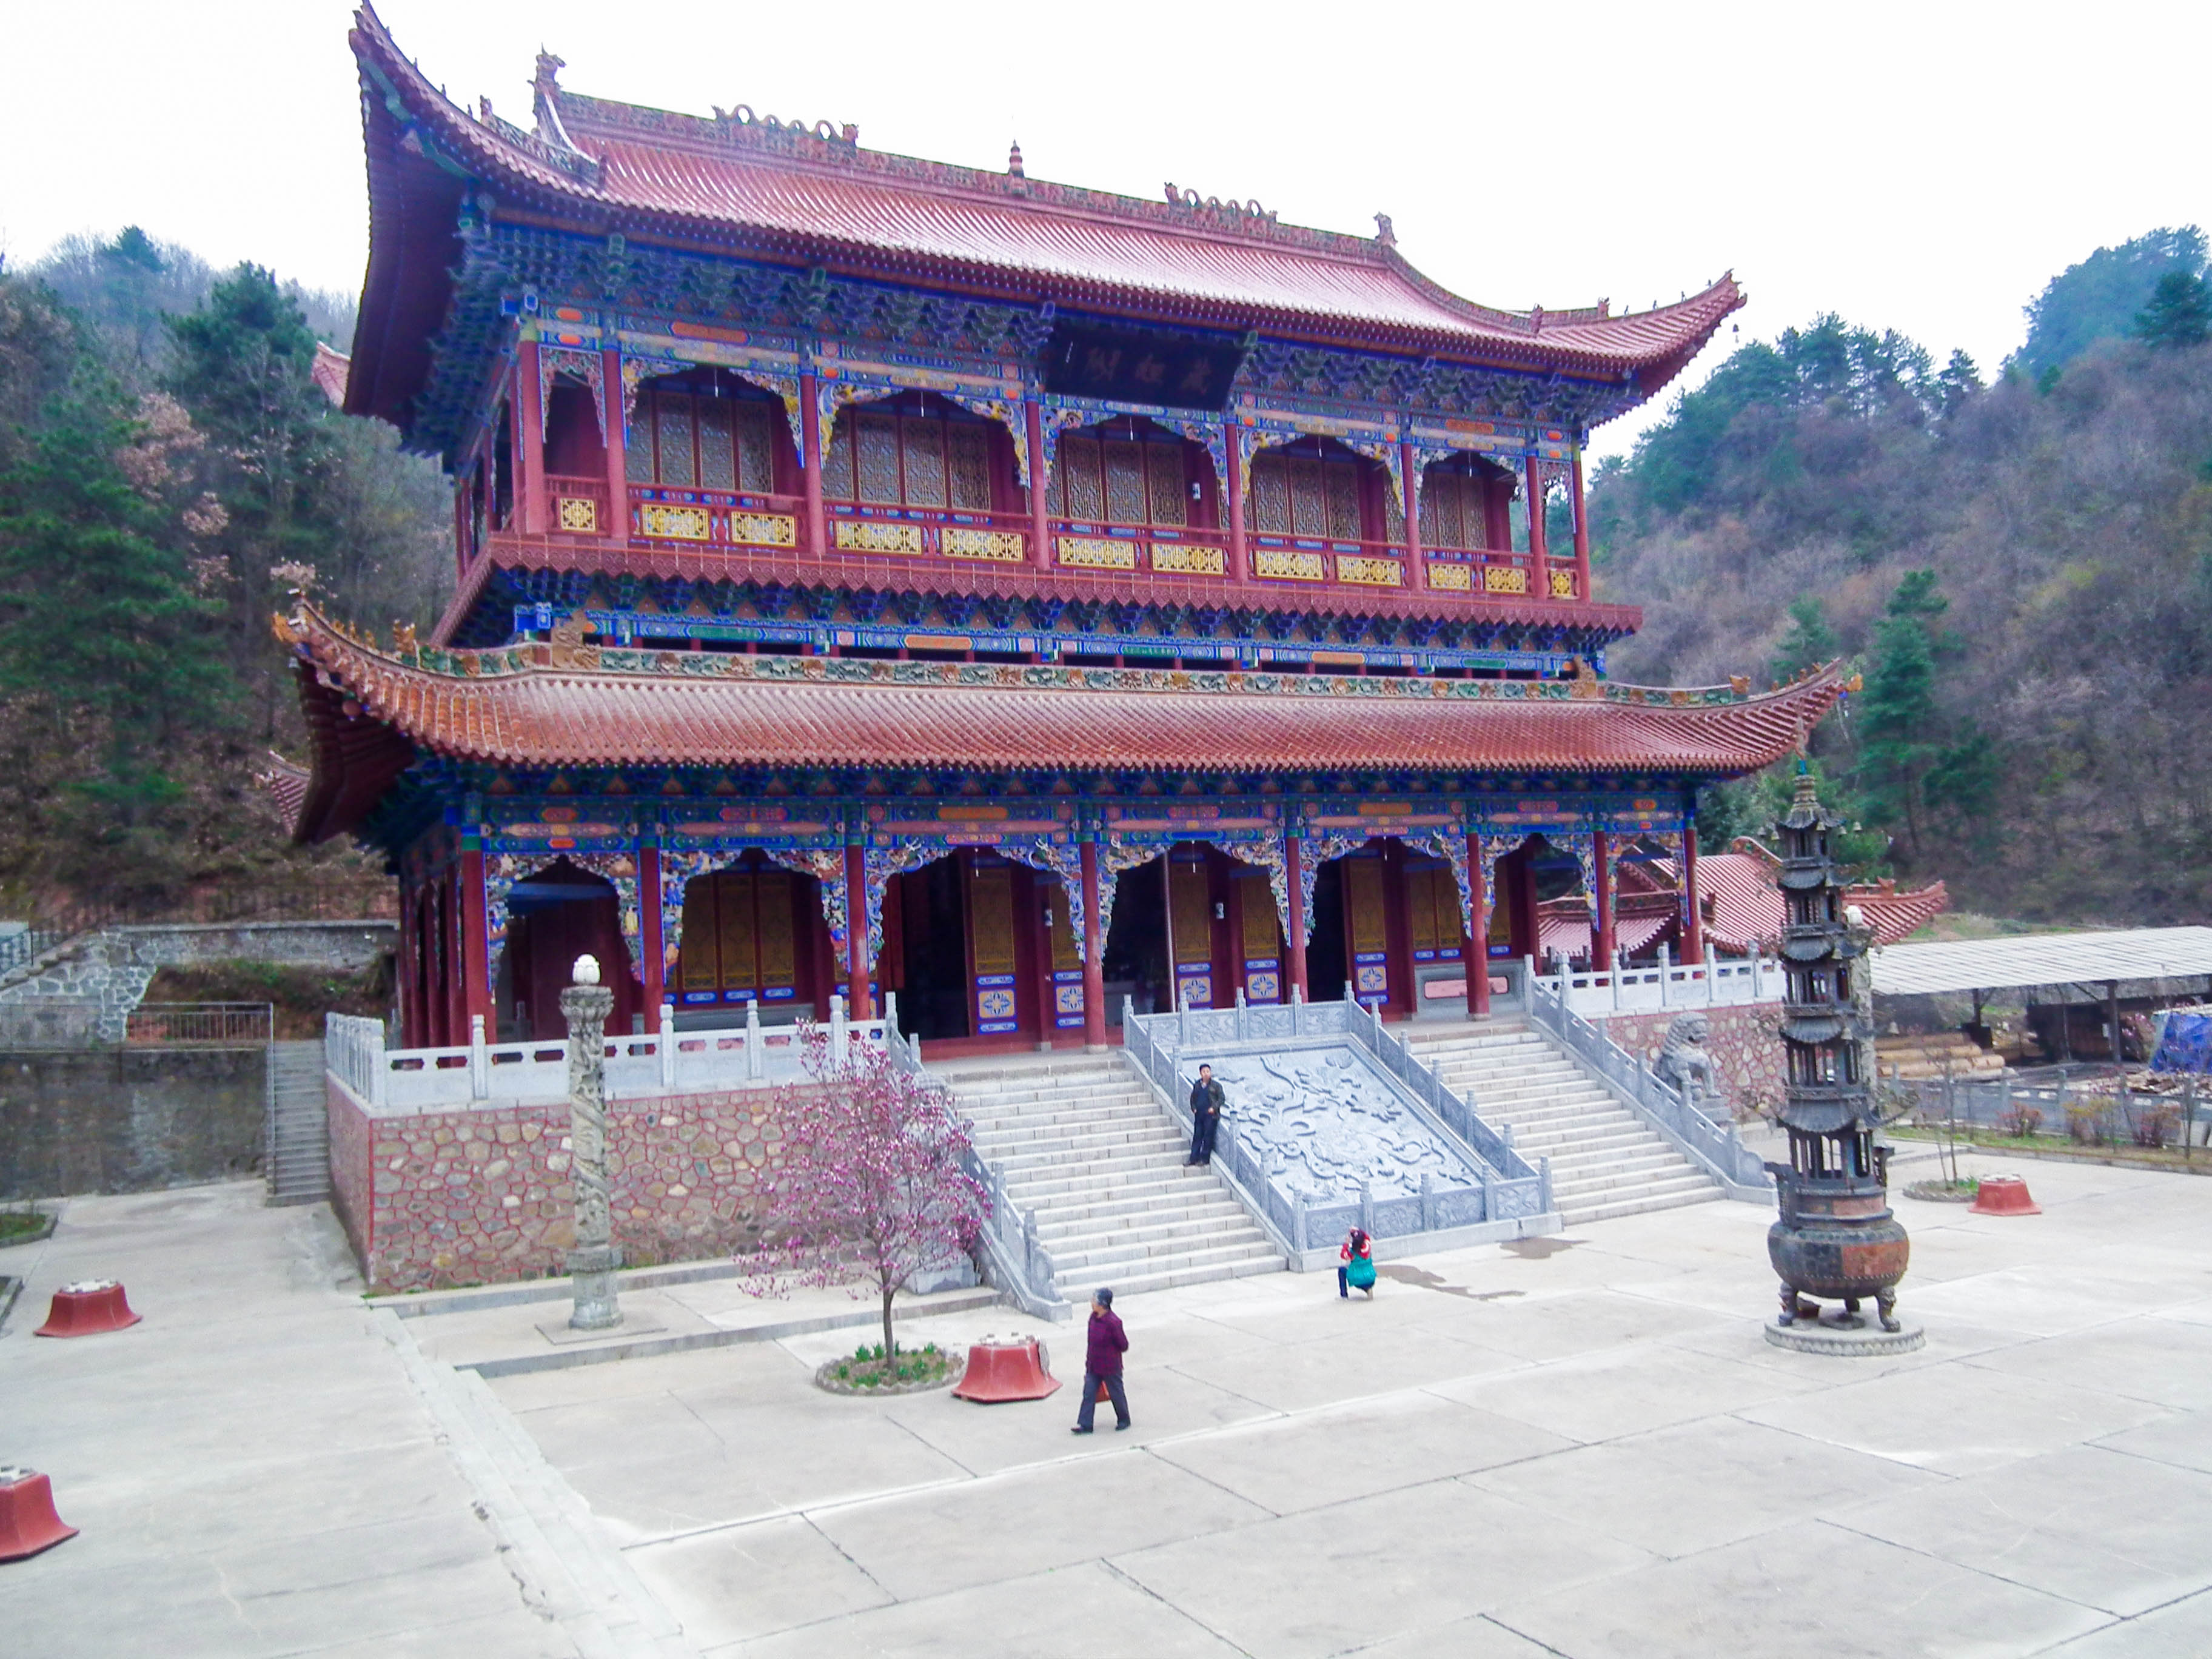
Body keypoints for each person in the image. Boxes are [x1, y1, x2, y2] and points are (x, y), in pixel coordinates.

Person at [1071, 1286, 1130, 1433]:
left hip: (1110, 1367)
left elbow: (1123, 1345)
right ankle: (1085, 1424)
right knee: (1089, 1393)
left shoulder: (1114, 1322)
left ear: (1102, 1304)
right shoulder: (1093, 1318)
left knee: (1116, 1393)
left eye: (1094, 1300)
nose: (1092, 1303)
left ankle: (1124, 1419)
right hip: (1094, 1365)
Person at [1185, 1064, 1225, 1166]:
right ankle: (1193, 1158)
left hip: (1211, 1115)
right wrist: (1194, 1108)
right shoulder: (1197, 1085)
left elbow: (1222, 1099)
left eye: (1208, 1071)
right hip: (1199, 1114)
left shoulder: (1216, 1086)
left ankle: (1204, 1159)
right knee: (1197, 1136)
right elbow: (1193, 1098)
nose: (1206, 1074)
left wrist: (1214, 1108)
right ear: (1201, 1073)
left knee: (1208, 1137)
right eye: (1204, 1072)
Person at [1339, 1227, 1376, 1299]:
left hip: (1357, 1280)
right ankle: (1368, 1289)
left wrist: (1346, 1244)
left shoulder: (1352, 1253)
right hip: (1371, 1278)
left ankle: (1344, 1295)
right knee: (1363, 1278)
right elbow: (1366, 1236)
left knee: (1341, 1270)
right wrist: (1357, 1231)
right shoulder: (1368, 1248)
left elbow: (1343, 1255)